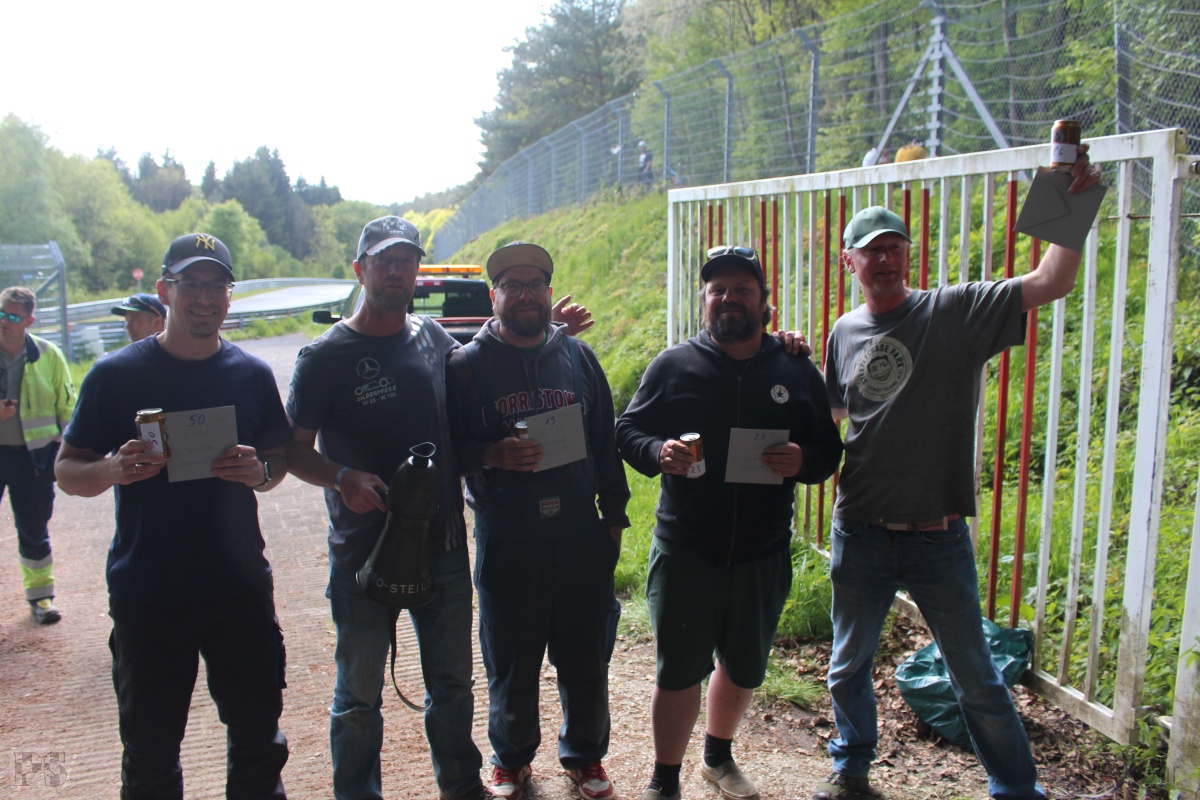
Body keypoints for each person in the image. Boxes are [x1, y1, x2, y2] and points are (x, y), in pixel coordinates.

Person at [817, 145, 1102, 800]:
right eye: (871, 250)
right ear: (848, 262)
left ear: (907, 255)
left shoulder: (954, 311)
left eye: (895, 248)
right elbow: (833, 414)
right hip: (860, 530)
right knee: (846, 666)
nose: (885, 259)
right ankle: (851, 770)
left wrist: (1070, 199)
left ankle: (1016, 789)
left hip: (936, 536)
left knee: (975, 677)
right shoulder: (843, 331)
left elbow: (1050, 280)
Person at [285, 218, 592, 800]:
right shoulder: (323, 357)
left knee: (452, 686)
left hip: (442, 546)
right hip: (363, 552)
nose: (396, 271)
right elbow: (292, 451)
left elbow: (490, 358)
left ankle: (460, 786)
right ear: (360, 270)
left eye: (406, 261)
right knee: (357, 698)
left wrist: (548, 331)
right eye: (384, 261)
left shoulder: (432, 338)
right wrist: (341, 477)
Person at [55, 232, 291, 799]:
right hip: (150, 593)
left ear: (230, 296)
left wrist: (258, 472)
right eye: (191, 284)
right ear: (165, 291)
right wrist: (111, 469)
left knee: (258, 740)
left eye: (217, 286)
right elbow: (66, 470)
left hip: (238, 587)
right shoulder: (115, 376)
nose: (205, 298)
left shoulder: (252, 374)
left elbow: (277, 462)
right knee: (151, 752)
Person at [615, 246, 843, 800]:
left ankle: (717, 758)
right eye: (718, 289)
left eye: (742, 288)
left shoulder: (794, 368)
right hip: (686, 550)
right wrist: (657, 451)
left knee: (743, 668)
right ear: (704, 300)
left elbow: (828, 448)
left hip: (762, 552)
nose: (729, 298)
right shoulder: (674, 365)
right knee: (678, 671)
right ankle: (664, 779)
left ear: (764, 301)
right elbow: (627, 430)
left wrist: (803, 460)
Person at [446, 242, 630, 800]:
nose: (524, 295)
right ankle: (511, 759)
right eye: (512, 285)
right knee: (511, 657)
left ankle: (585, 755)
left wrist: (613, 518)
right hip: (508, 536)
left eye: (534, 285)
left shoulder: (578, 357)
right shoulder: (465, 365)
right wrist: (490, 454)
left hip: (578, 532)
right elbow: (448, 448)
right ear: (494, 296)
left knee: (585, 657)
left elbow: (605, 442)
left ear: (549, 293)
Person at [0, 287, 75, 625]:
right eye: (0, 313)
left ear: (29, 321)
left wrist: (60, 448)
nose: (4, 321)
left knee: (33, 529)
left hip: (33, 460)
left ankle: (41, 598)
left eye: (12, 316)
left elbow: (68, 408)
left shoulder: (48, 355)